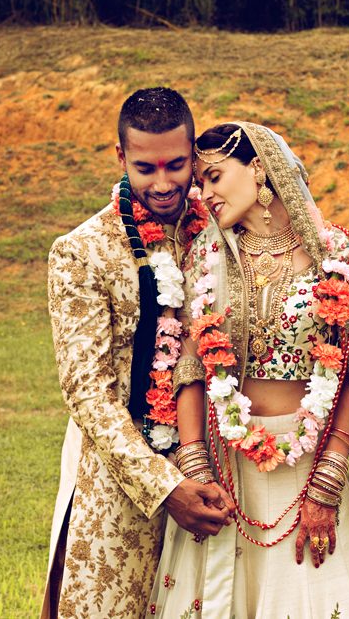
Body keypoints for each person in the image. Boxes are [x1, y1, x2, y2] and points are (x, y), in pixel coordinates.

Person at [147, 122, 349, 618]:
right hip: (227, 471)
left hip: (310, 464)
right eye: (199, 183)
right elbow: (191, 363)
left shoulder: (337, 254)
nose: (205, 194)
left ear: (259, 169)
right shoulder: (207, 255)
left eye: (215, 177)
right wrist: (194, 460)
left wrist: (328, 480)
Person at [42, 88, 233, 619]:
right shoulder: (82, 252)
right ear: (120, 156)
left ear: (195, 155)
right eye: (146, 168)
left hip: (221, 474)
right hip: (118, 484)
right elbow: (88, 394)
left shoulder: (222, 232)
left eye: (177, 165)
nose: (164, 183)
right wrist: (165, 486)